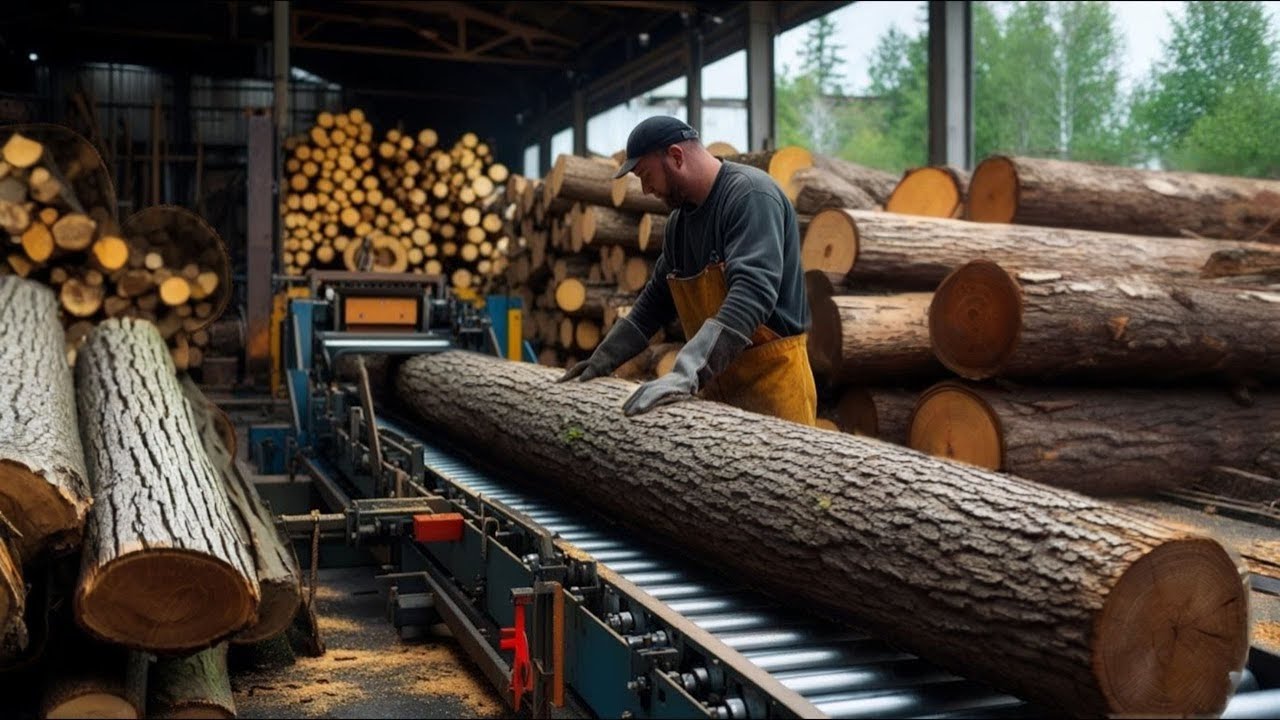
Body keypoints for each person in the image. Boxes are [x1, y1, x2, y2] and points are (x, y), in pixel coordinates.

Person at [559, 116, 817, 425]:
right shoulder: (678, 226)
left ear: (676, 156)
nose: (646, 190)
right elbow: (652, 305)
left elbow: (753, 294)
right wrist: (603, 359)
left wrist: (686, 372)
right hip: (717, 390)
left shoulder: (750, 196)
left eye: (646, 175)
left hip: (774, 390)